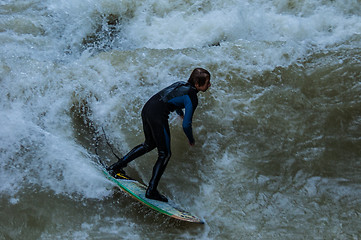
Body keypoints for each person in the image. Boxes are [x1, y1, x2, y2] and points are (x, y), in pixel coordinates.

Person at [107, 68, 211, 202]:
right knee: (165, 154)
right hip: (157, 115)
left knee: (149, 144)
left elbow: (172, 96)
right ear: (197, 83)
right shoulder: (192, 97)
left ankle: (115, 167)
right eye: (207, 82)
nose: (209, 85)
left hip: (147, 108)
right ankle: (151, 191)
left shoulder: (180, 83)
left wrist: (179, 113)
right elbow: (186, 125)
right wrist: (191, 139)